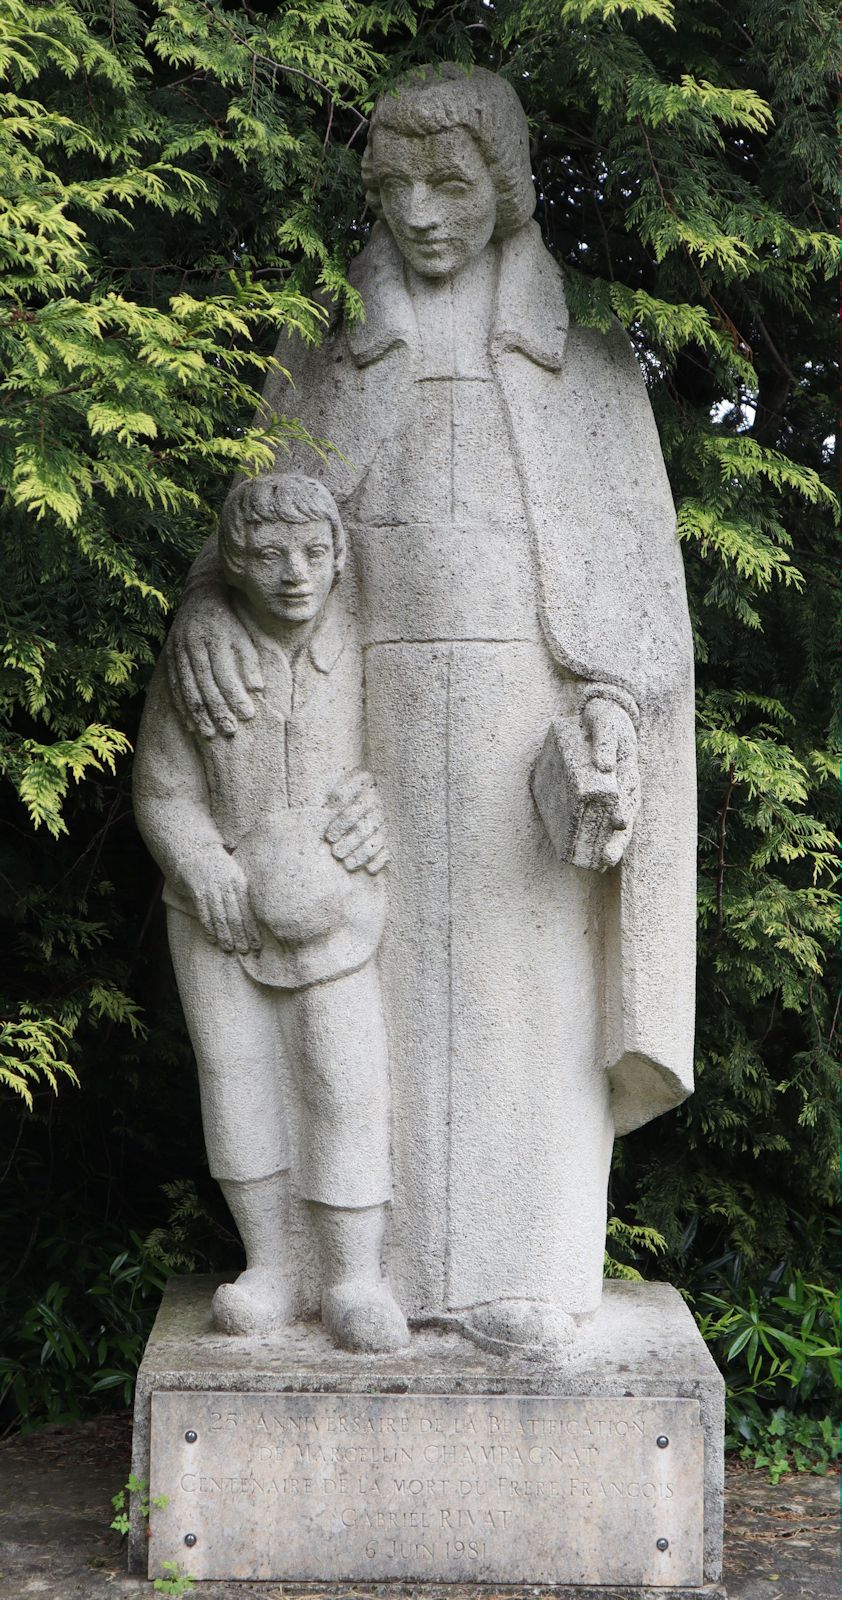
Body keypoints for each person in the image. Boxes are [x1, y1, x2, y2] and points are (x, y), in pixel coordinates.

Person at [162, 66, 697, 1357]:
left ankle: (521, 1267)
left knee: (526, 993)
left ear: (504, 188)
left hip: (523, 723)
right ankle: (351, 1275)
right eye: (394, 185)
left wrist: (614, 711)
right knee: (357, 1022)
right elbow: (246, 546)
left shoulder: (590, 366)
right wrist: (196, 634)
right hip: (355, 725)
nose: (420, 211)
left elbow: (632, 596)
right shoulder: (324, 357)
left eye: (450, 183)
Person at [133, 471, 409, 1353]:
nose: (295, 573)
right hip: (214, 913)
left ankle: (355, 1276)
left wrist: (382, 803)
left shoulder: (372, 647)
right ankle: (272, 1264)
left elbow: (414, 757)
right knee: (238, 1079)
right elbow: (162, 787)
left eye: (315, 553)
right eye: (268, 557)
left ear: (340, 559)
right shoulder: (201, 658)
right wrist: (200, 863)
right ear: (234, 566)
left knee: (343, 1079)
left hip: (336, 913)